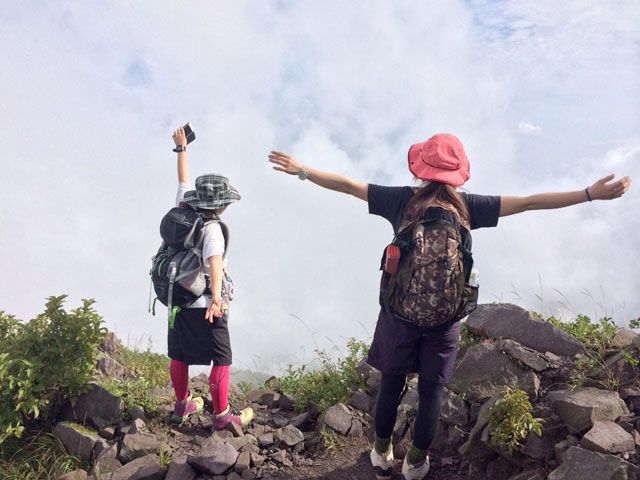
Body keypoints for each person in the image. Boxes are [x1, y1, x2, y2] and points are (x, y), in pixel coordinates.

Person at [268, 133, 631, 480]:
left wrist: (303, 169)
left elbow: (348, 185)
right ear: (459, 172)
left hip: (399, 316)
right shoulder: (469, 206)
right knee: (431, 393)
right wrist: (588, 194)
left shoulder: (401, 200)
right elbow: (530, 201)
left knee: (391, 385)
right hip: (445, 321)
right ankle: (415, 465)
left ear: (419, 167)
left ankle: (381, 458)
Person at [168, 126, 253, 430]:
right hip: (205, 302)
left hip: (177, 299)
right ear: (220, 204)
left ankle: (182, 406)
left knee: (180, 354)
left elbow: (182, 181)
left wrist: (181, 149)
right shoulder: (212, 228)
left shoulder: (182, 209)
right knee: (222, 358)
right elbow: (213, 265)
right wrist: (217, 299)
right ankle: (221, 416)